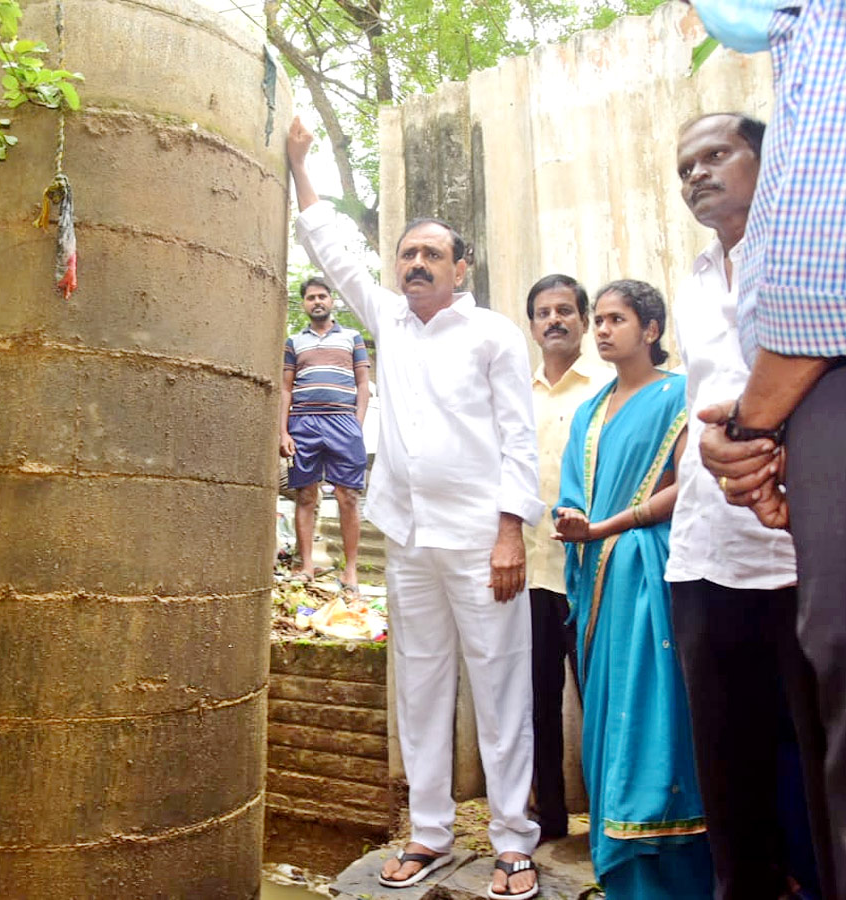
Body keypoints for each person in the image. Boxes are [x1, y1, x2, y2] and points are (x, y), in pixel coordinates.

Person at [288, 116, 544, 899]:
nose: (417, 264)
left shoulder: (495, 336)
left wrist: (510, 533)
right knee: (422, 686)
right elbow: (331, 246)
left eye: (433, 254)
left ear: (461, 268)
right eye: (408, 254)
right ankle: (429, 832)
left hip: (480, 542)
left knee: (501, 690)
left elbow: (518, 440)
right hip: (409, 540)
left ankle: (513, 844)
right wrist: (301, 164)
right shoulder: (389, 327)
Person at [686, 3, 846, 895]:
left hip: (786, 520)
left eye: (717, 156)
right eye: (685, 170)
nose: (699, 176)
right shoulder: (698, 273)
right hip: (746, 525)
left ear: (769, 155)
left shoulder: (821, 35)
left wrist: (751, 428)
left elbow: (825, 283)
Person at [554, 280, 712, 898]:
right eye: (599, 319)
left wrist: (611, 525)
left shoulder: (679, 396)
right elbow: (574, 493)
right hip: (600, 584)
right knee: (610, 711)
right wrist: (574, 522)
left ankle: (673, 868)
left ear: (650, 330)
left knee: (657, 712)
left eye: (616, 319)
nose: (601, 329)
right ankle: (616, 858)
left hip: (653, 574)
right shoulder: (591, 411)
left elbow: (688, 482)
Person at [523, 274, 611, 843]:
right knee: (535, 704)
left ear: (582, 320)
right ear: (531, 325)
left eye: (565, 310)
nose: (554, 320)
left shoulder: (608, 388)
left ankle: (608, 822)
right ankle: (549, 819)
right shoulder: (511, 392)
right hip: (526, 573)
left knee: (600, 698)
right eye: (542, 312)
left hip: (591, 574)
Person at [280, 276, 370, 592]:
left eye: (322, 296)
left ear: (331, 301)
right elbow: (286, 388)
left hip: (343, 422)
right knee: (305, 495)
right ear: (304, 304)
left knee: (348, 496)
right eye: (310, 298)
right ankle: (305, 566)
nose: (317, 301)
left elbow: (362, 385)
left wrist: (356, 425)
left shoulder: (353, 338)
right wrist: (283, 431)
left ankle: (351, 572)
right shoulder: (294, 342)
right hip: (303, 423)